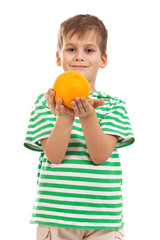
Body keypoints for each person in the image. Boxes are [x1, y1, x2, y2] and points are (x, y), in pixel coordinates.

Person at [24, 14, 135, 240]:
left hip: (104, 221)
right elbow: (54, 156)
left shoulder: (114, 106)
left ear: (103, 60)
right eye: (71, 49)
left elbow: (100, 155)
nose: (79, 57)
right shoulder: (45, 104)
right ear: (59, 57)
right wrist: (64, 116)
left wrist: (88, 117)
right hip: (56, 218)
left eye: (89, 50)